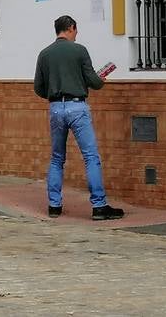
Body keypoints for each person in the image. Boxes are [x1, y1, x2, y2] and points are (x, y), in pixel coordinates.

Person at [32, 14, 124, 220]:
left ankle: (54, 205)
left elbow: (38, 87)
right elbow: (93, 81)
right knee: (91, 157)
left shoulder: (44, 54)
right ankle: (99, 206)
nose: (76, 35)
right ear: (71, 28)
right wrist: (100, 79)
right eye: (76, 31)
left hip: (55, 107)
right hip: (77, 106)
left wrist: (54, 94)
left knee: (57, 158)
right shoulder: (79, 50)